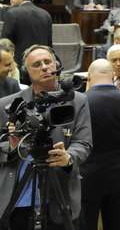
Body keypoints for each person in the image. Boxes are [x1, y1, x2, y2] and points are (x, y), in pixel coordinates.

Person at [0, 45, 92, 229]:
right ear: (27, 72)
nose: (44, 67)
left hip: (58, 191)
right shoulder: (8, 104)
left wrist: (68, 157)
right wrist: (12, 145)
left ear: (56, 64)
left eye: (48, 62)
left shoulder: (78, 100)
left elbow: (83, 142)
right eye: (37, 64)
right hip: (18, 197)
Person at [80, 59, 120, 230]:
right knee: (118, 224)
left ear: (89, 76)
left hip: (87, 176)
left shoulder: (80, 101)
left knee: (86, 224)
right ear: (113, 75)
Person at [1, 0, 53, 67]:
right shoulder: (46, 14)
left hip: (20, 64)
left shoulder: (12, 13)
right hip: (42, 64)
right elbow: (49, 43)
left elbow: (5, 43)